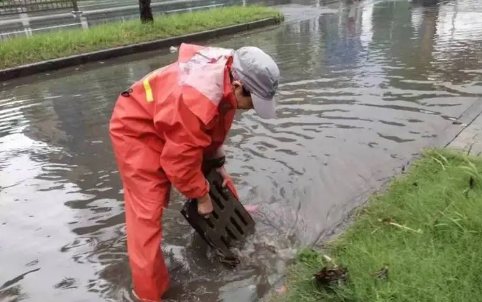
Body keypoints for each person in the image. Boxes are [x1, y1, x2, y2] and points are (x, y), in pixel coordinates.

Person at [108, 43, 280, 302]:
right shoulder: (194, 103)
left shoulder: (230, 70)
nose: (252, 108)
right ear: (237, 86)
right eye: (252, 102)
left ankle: (237, 231)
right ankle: (148, 293)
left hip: (174, 119)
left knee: (217, 175)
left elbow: (214, 119)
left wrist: (216, 158)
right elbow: (178, 162)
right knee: (147, 211)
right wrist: (200, 197)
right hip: (137, 128)